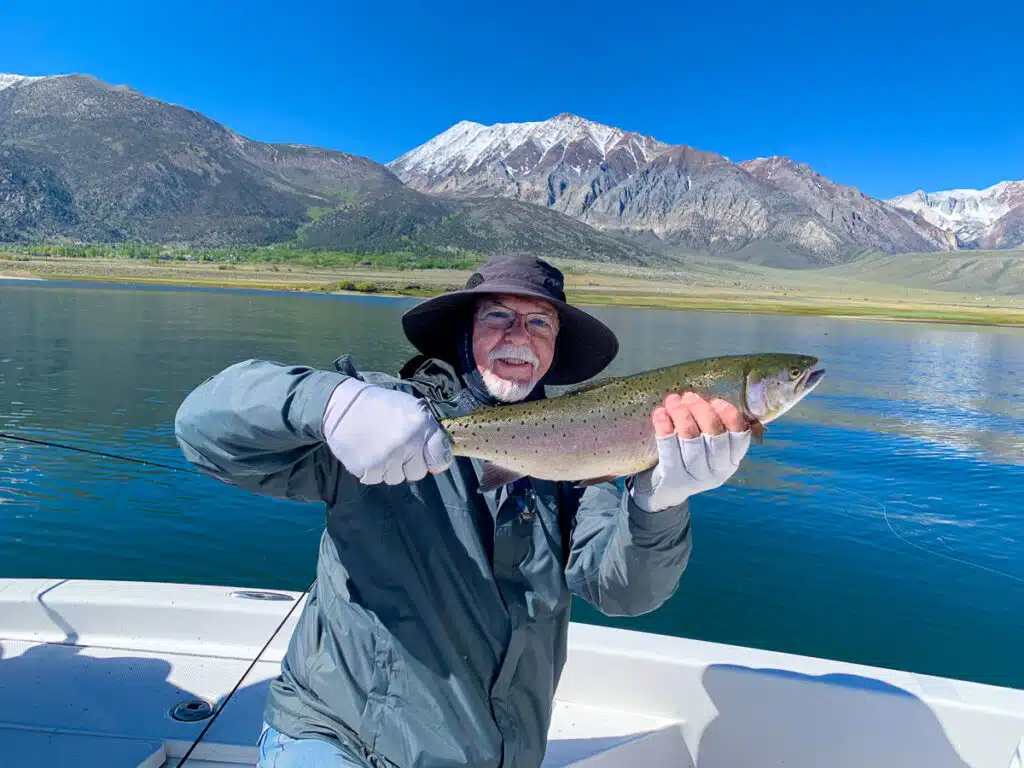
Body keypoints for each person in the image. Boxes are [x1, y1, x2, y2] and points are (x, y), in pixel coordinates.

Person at [174, 253, 752, 768]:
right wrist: (329, 403)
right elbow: (204, 429)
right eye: (498, 317)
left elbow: (624, 592)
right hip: (343, 742)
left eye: (540, 323)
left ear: (555, 349)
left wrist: (657, 503)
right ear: (463, 333)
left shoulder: (583, 463)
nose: (519, 335)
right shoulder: (382, 421)